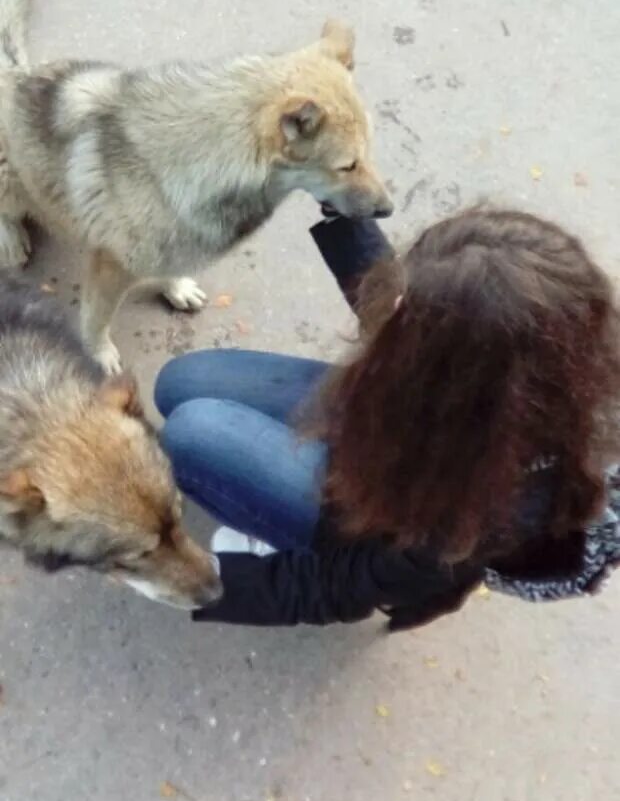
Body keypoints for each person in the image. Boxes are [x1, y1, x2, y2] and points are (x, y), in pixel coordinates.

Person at [154, 208, 620, 630]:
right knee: (178, 383)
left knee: (190, 435)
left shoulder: (482, 512)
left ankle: (284, 534)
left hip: (385, 515)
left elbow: (339, 586)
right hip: (396, 427)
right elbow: (416, 309)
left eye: (407, 316)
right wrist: (342, 206)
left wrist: (203, 584)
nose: (391, 303)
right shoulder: (539, 360)